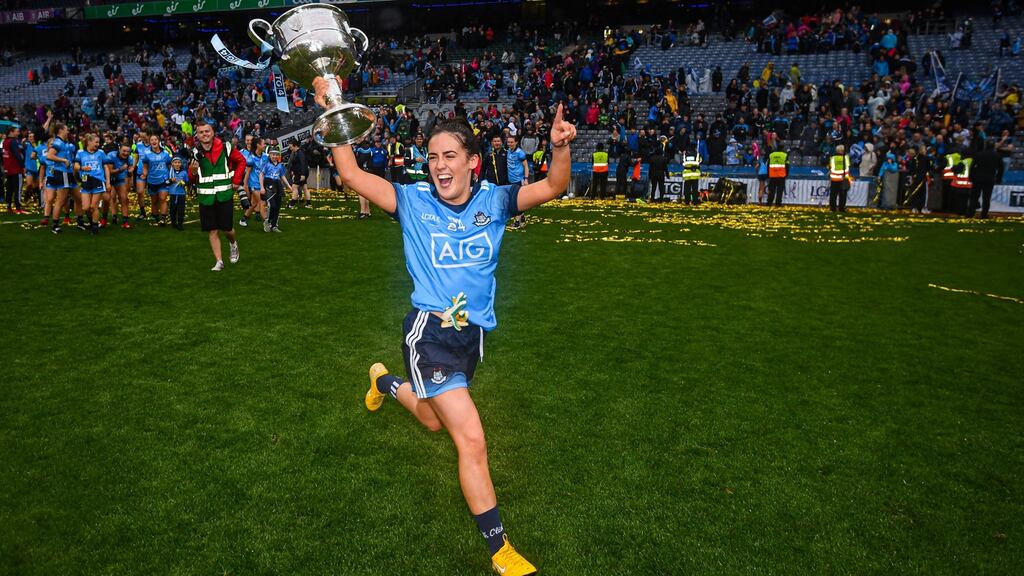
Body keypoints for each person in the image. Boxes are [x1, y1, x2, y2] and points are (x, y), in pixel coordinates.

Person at [315, 75, 576, 576]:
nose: (439, 166)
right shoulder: (413, 203)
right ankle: (500, 550)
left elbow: (553, 185)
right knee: (471, 438)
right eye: (433, 157)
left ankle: (384, 382)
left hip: (471, 337)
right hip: (429, 335)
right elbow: (349, 173)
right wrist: (333, 105)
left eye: (450, 156)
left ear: (473, 162)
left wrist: (558, 148)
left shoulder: (494, 202)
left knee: (433, 420)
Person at [188, 121, 245, 271]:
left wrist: (237, 181)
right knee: (212, 230)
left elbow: (241, 161)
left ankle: (233, 244)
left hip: (224, 194)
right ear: (197, 135)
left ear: (213, 132)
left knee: (227, 229)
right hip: (206, 197)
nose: (204, 134)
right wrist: (192, 173)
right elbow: (192, 176)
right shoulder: (194, 152)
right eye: (201, 132)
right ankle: (219, 261)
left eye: (207, 131)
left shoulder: (226, 147)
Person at [45, 123, 79, 234]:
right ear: (61, 130)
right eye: (66, 129)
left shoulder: (64, 143)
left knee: (79, 198)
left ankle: (81, 222)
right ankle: (54, 226)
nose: (68, 131)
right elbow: (49, 156)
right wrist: (63, 160)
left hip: (68, 174)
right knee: (61, 200)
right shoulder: (58, 142)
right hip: (63, 173)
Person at [73, 133, 110, 235]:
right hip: (86, 181)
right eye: (96, 142)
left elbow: (106, 167)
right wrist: (82, 168)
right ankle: (93, 221)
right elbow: (75, 165)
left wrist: (108, 182)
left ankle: (94, 228)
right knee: (85, 207)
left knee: (93, 206)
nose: (98, 144)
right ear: (89, 142)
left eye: (98, 142)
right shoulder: (80, 153)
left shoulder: (101, 153)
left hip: (98, 180)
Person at [140, 133, 173, 226]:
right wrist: (144, 174)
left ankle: (163, 218)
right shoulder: (147, 154)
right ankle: (156, 217)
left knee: (162, 198)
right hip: (152, 180)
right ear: (150, 142)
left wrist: (172, 175)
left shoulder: (165, 153)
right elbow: (145, 167)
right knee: (154, 201)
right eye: (152, 140)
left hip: (164, 179)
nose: (154, 141)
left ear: (158, 141)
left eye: (155, 139)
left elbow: (169, 165)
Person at [967, 140, 1003, 219]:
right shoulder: (997, 155)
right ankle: (984, 214)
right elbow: (1001, 168)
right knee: (986, 198)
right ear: (993, 146)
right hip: (990, 179)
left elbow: (972, 166)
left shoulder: (979, 154)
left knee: (974, 197)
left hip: (978, 178)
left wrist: (971, 177)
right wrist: (998, 178)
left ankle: (970, 214)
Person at [259, 146, 289, 232]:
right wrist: (261, 187)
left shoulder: (280, 165)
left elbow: (282, 176)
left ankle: (274, 225)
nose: (275, 156)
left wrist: (288, 186)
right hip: (268, 185)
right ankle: (267, 221)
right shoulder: (266, 164)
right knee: (273, 205)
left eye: (277, 155)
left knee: (278, 206)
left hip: (278, 185)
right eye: (273, 154)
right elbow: (261, 174)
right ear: (270, 155)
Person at [105, 143, 133, 229]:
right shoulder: (111, 156)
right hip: (110, 179)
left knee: (124, 198)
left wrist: (130, 170)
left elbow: (131, 168)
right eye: (124, 151)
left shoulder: (129, 158)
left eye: (128, 151)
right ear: (119, 149)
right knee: (111, 197)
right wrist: (121, 169)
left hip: (120, 179)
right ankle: (112, 216)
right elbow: (109, 171)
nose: (125, 153)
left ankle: (125, 221)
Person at [241, 137, 267, 227]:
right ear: (258, 145)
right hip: (254, 184)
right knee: (262, 202)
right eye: (263, 143)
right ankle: (267, 223)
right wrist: (245, 185)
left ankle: (243, 219)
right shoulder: (250, 158)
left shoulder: (265, 156)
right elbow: (247, 173)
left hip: (262, 184)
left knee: (254, 203)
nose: (265, 145)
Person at [505, 135, 529, 227]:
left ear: (516, 142)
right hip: (511, 180)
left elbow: (526, 166)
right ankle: (522, 216)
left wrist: (526, 179)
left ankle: (517, 222)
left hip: (518, 180)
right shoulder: (508, 152)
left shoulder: (520, 153)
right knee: (514, 200)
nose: (510, 144)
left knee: (515, 202)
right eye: (508, 142)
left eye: (511, 142)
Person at [2, 125, 26, 214]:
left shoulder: (5, 141)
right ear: (11, 132)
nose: (18, 133)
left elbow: (3, 155)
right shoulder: (13, 142)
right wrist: (23, 167)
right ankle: (18, 208)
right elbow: (17, 155)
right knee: (18, 189)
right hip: (16, 169)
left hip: (8, 169)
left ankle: (8, 207)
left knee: (9, 189)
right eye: (17, 131)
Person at [828, 144, 852, 212]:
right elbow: (847, 169)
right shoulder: (846, 158)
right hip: (843, 179)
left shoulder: (832, 158)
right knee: (843, 195)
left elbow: (831, 167)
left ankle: (833, 209)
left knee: (833, 195)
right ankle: (842, 208)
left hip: (834, 179)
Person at [167, 156, 189, 230]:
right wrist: (170, 180)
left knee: (181, 209)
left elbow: (187, 181)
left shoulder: (184, 172)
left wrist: (183, 183)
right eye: (175, 162)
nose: (177, 164)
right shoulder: (170, 172)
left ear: (181, 164)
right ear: (172, 164)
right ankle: (173, 223)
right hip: (173, 194)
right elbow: (165, 182)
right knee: (173, 209)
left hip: (181, 194)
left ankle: (180, 224)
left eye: (179, 162)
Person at [286, 141, 310, 208]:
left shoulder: (300, 153)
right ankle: (308, 204)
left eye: (291, 147)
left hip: (300, 173)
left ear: (295, 146)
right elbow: (297, 164)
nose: (290, 148)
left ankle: (292, 204)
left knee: (294, 187)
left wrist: (302, 174)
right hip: (301, 172)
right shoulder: (297, 152)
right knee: (305, 188)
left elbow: (303, 164)